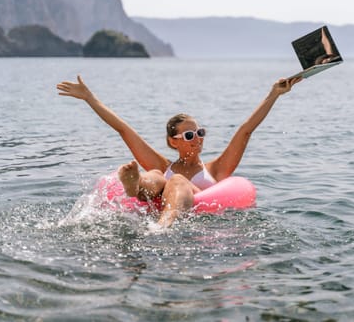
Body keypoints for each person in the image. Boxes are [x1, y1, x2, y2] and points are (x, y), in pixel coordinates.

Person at [56, 75, 302, 227]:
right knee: (155, 173)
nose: (197, 139)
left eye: (199, 133)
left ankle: (163, 225)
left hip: (186, 208)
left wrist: (274, 95)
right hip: (154, 195)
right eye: (188, 135)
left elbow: (246, 130)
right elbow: (123, 129)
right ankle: (134, 185)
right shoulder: (165, 165)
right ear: (173, 141)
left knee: (177, 180)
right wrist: (90, 98)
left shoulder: (216, 168)